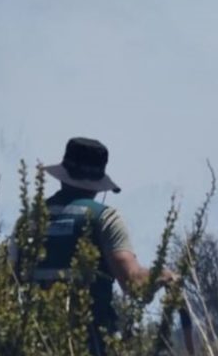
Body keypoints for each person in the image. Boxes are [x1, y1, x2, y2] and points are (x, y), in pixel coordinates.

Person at [23, 137, 177, 356]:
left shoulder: (31, 219)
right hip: (90, 344)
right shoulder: (105, 219)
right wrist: (166, 276)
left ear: (63, 177)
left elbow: (8, 276)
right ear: (97, 186)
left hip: (32, 343)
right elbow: (134, 284)